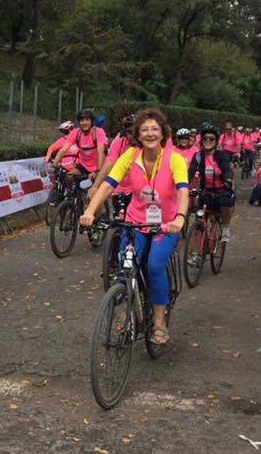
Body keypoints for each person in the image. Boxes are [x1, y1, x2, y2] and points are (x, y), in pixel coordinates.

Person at [80, 108, 188, 346]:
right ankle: (125, 308)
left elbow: (183, 190)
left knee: (154, 264)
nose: (149, 133)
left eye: (154, 129)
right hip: (136, 221)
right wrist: (90, 210)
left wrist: (180, 217)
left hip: (165, 224)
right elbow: (108, 185)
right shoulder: (129, 157)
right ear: (138, 134)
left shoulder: (175, 159)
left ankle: (159, 322)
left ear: (162, 133)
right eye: (145, 129)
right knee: (125, 264)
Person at [189, 124, 236, 243]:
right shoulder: (198, 156)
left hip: (221, 189)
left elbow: (226, 169)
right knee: (199, 221)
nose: (208, 141)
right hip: (205, 190)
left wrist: (228, 180)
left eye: (211, 139)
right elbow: (190, 172)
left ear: (216, 141)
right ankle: (194, 252)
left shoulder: (222, 155)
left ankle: (225, 229)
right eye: (205, 138)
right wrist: (183, 186)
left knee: (227, 201)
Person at [51, 109, 107, 180]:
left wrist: (98, 171)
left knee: (95, 188)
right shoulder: (76, 132)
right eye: (82, 120)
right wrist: (53, 166)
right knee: (69, 178)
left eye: (87, 120)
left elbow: (100, 153)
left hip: (99, 166)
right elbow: (63, 150)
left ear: (91, 121)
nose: (84, 123)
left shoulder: (98, 132)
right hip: (84, 165)